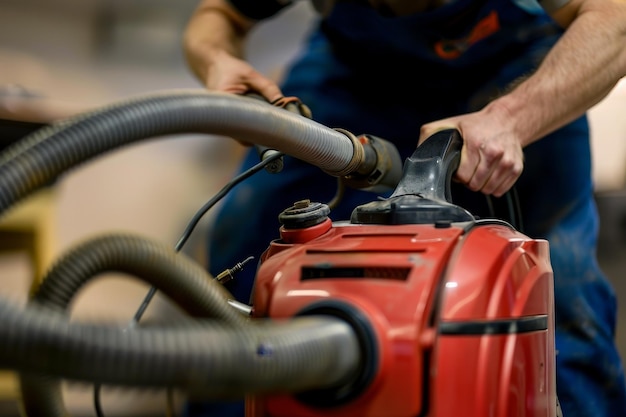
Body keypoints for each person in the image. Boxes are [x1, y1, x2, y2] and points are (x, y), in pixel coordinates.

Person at [182, 0, 626, 416]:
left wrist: (511, 119)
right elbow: (219, 14)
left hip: (514, 72)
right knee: (243, 264)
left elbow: (614, 20)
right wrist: (217, 62)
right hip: (355, 72)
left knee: (560, 291)